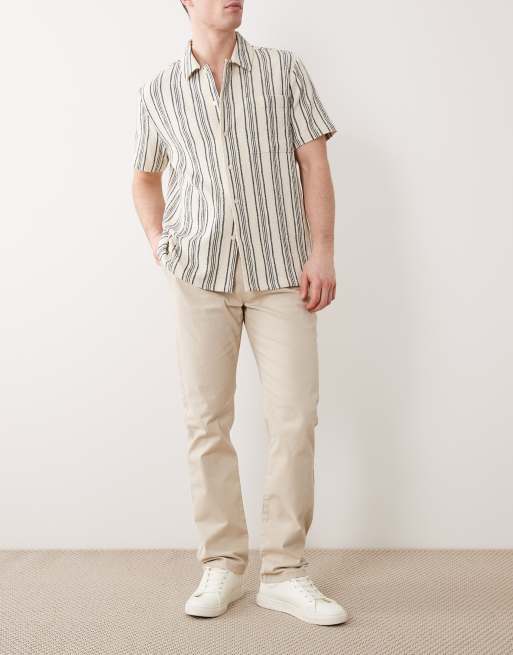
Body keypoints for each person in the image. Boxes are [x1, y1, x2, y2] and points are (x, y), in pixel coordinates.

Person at [131, 0, 348, 626]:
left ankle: (284, 572)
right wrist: (160, 243)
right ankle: (222, 564)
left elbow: (314, 163)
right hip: (199, 272)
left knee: (294, 418)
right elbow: (145, 177)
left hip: (282, 272)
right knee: (206, 421)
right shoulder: (159, 90)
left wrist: (322, 253)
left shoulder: (284, 70)